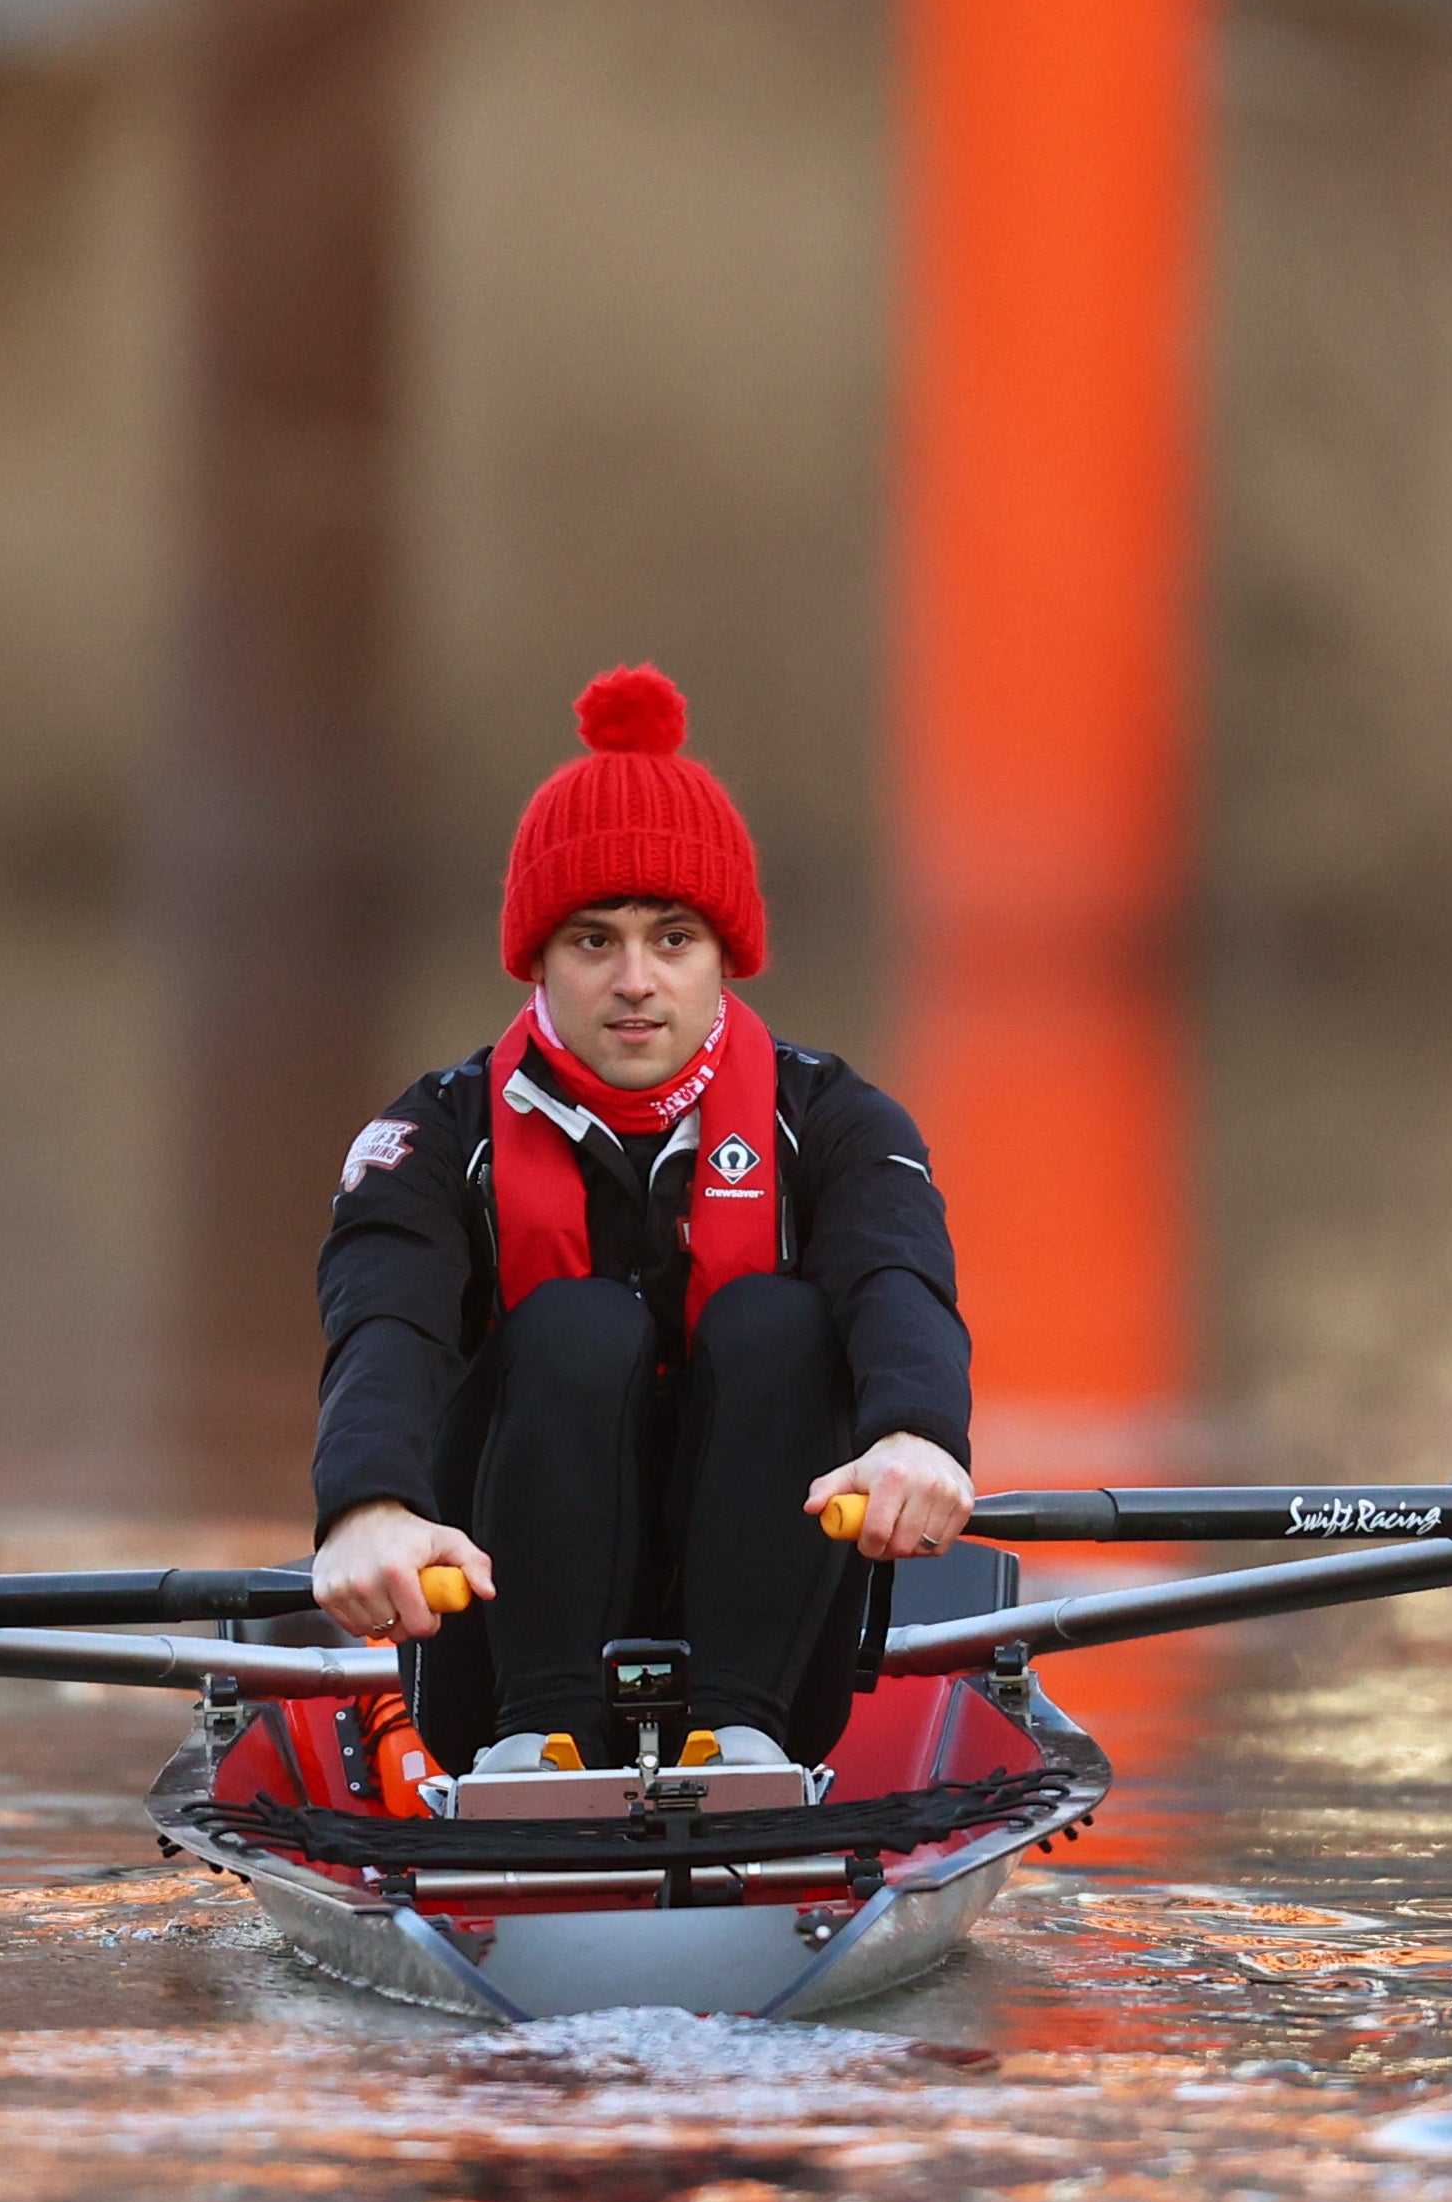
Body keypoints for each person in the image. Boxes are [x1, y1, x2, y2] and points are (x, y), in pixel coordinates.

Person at [303, 664, 975, 1778]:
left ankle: (742, 1741)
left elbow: (898, 1285)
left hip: (777, 1658)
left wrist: (918, 1433)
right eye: (591, 939)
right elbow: (387, 1329)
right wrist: (365, 1503)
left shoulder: (840, 1122)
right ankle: (537, 1746)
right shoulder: (430, 1138)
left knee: (777, 1321)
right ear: (537, 957)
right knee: (577, 1327)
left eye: (672, 939)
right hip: (492, 1642)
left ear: (724, 956)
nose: (633, 982)